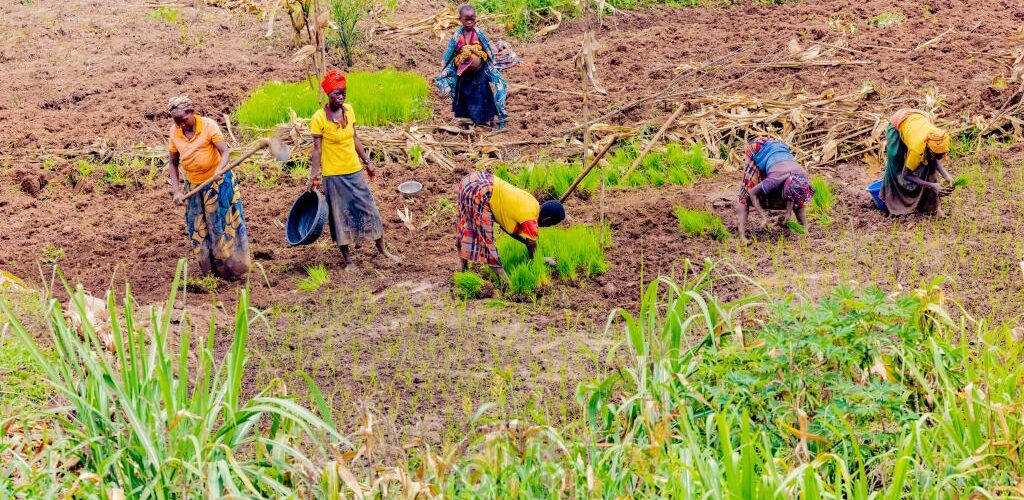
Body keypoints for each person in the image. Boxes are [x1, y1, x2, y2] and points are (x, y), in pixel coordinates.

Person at [308, 70, 400, 270]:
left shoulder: (349, 111)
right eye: (336, 93)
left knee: (369, 209)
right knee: (340, 216)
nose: (341, 97)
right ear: (328, 94)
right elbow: (317, 150)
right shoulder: (319, 118)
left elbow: (355, 138)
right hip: (333, 176)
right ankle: (348, 261)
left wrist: (367, 161)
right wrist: (313, 176)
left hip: (354, 171)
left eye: (343, 93)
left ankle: (382, 251)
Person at [166, 95, 251, 280]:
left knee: (221, 225)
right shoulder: (175, 132)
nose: (181, 126)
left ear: (191, 112)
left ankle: (232, 269)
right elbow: (172, 163)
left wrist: (219, 170)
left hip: (218, 183)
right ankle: (211, 272)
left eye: (183, 120)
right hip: (194, 187)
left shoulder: (208, 125)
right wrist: (177, 191)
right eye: (177, 122)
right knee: (198, 228)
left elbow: (225, 151)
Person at [456, 171, 565, 282]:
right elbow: (532, 246)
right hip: (482, 190)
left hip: (473, 180)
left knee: (466, 225)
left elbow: (508, 230)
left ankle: (464, 270)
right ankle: (506, 283)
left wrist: (526, 242)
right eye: (549, 225)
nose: (546, 227)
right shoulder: (530, 219)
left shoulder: (532, 203)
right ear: (547, 219)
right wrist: (542, 259)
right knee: (486, 242)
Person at [436, 5, 509, 129]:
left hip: (480, 71)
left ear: (476, 18)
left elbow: (488, 50)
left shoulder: (479, 33)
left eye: (472, 18)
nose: (470, 21)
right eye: (466, 19)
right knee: (464, 97)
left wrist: (491, 62)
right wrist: (444, 66)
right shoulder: (457, 36)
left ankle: (496, 121)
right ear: (460, 19)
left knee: (488, 94)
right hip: (463, 74)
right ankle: (467, 122)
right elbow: (449, 52)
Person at [737, 137, 814, 244]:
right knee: (745, 195)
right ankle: (742, 236)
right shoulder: (775, 179)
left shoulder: (802, 177)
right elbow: (752, 193)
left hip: (779, 147)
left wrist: (789, 213)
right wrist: (763, 217)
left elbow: (795, 199)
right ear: (783, 187)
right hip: (758, 147)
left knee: (798, 198)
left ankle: (804, 230)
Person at [880, 109, 953, 215]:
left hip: (919, 120)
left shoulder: (937, 137)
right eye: (937, 155)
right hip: (898, 123)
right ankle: (894, 204)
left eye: (942, 154)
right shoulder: (917, 148)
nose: (940, 157)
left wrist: (947, 176)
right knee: (896, 165)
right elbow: (906, 175)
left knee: (929, 169)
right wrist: (932, 185)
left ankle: (931, 207)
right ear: (928, 148)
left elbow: (933, 159)